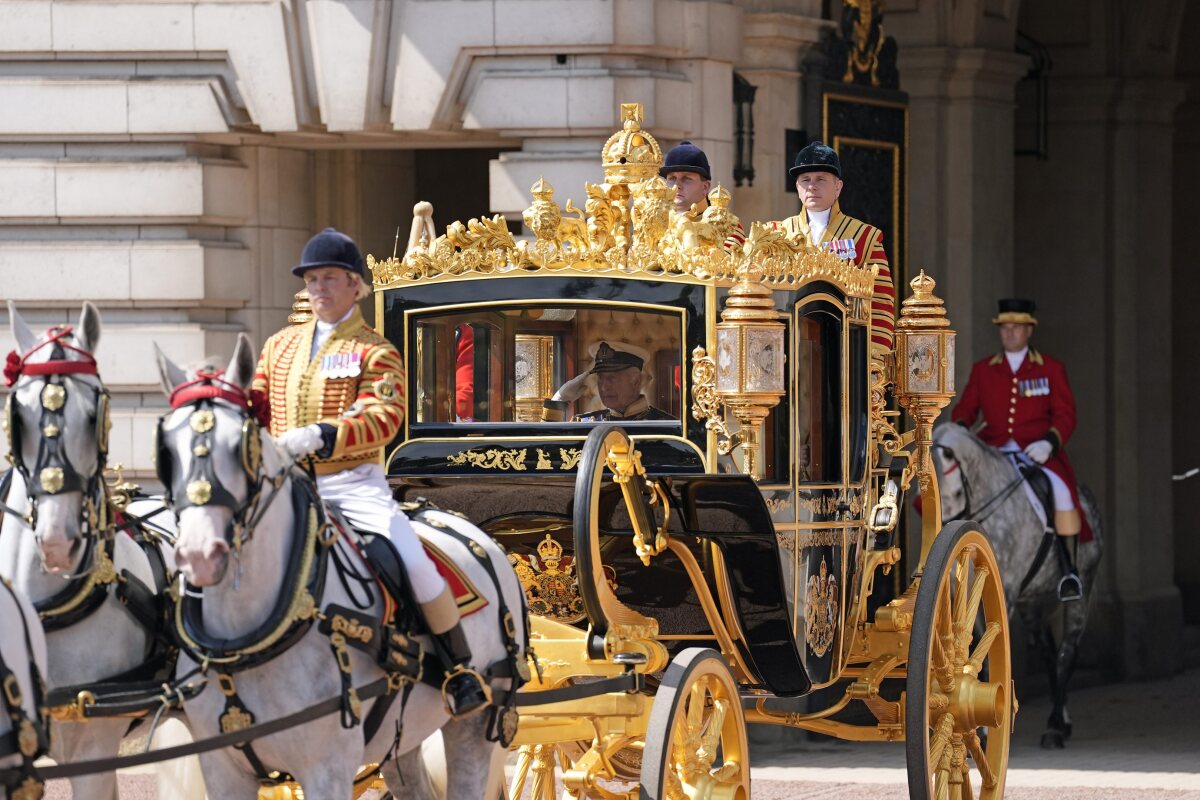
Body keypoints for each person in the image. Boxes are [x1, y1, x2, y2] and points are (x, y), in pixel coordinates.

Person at [253, 227, 488, 715]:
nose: (319, 288)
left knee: (412, 559)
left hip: (350, 484)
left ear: (356, 285)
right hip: (284, 483)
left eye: (330, 278)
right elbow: (256, 403)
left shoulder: (375, 350)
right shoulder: (278, 346)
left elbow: (383, 415)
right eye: (312, 279)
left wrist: (322, 434)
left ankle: (458, 666)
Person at [951, 298, 1090, 599]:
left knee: (1064, 494)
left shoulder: (1051, 369)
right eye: (1005, 328)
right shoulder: (983, 370)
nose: (1010, 333)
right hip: (994, 449)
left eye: (1016, 328)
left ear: (1029, 330)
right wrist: (961, 428)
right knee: (956, 490)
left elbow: (1066, 414)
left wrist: (1050, 442)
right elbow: (966, 408)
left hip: (1037, 453)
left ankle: (1069, 571)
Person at [775, 141, 895, 356]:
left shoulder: (865, 236)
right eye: (805, 180)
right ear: (797, 188)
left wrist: (876, 356)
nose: (812, 186)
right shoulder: (777, 234)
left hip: (844, 348)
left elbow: (881, 302)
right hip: (789, 345)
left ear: (838, 186)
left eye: (820, 179)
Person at [542, 341, 674, 422]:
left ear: (636, 381)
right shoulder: (585, 423)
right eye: (600, 378)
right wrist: (559, 400)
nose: (604, 387)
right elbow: (544, 453)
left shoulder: (666, 424)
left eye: (612, 378)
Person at [660, 140, 746, 249]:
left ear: (705, 187)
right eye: (672, 178)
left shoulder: (726, 226)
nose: (677, 186)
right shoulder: (658, 223)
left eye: (686, 178)